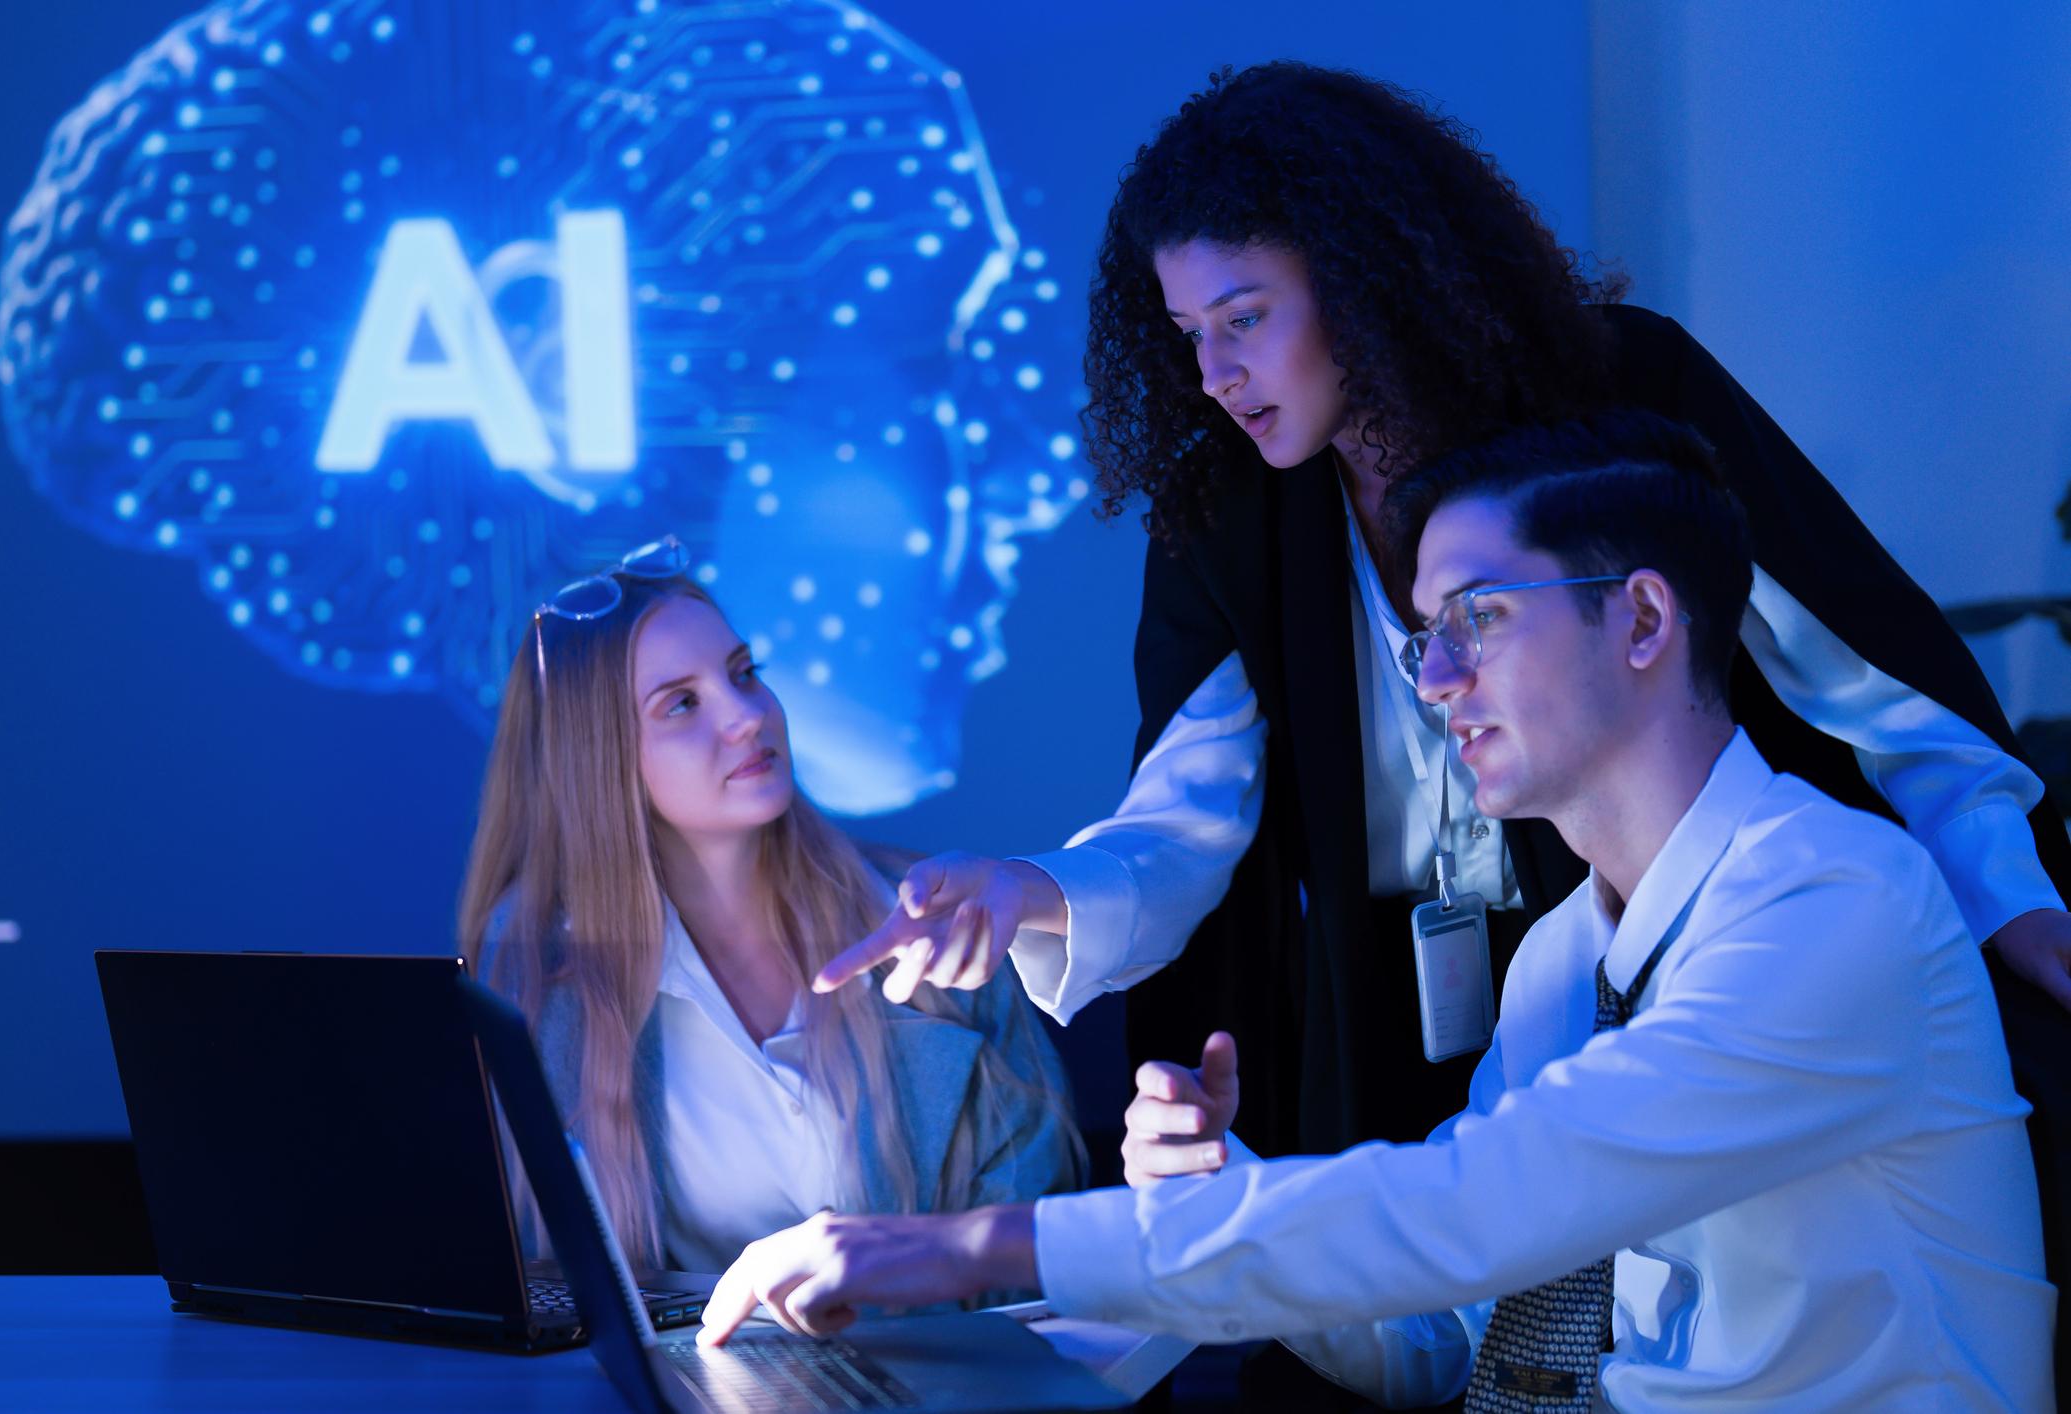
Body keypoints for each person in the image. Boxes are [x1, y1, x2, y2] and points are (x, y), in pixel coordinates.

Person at [815, 58, 2070, 1179]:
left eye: (1244, 318)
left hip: (1664, 958)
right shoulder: (1227, 510)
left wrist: (2010, 889)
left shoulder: (1626, 392)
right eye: (1188, 334)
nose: (1213, 374)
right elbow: (1183, 821)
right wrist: (1029, 887)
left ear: (1359, 275)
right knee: (1424, 1305)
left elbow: (1869, 681)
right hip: (1381, 1018)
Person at [699, 412, 2054, 1411]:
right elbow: (1440, 1340)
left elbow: (1480, 1205)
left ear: (1644, 620)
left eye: (1480, 617)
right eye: (1425, 633)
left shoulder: (1832, 901)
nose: (1436, 677)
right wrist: (1217, 1193)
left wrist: (948, 1248)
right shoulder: (1568, 959)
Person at [456, 540, 1081, 1278]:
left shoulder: (928, 916)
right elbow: (536, 1280)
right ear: (599, 761)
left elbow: (1041, 1247)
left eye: (744, 673)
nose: (747, 716)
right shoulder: (539, 974)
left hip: (940, 1354)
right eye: (682, 703)